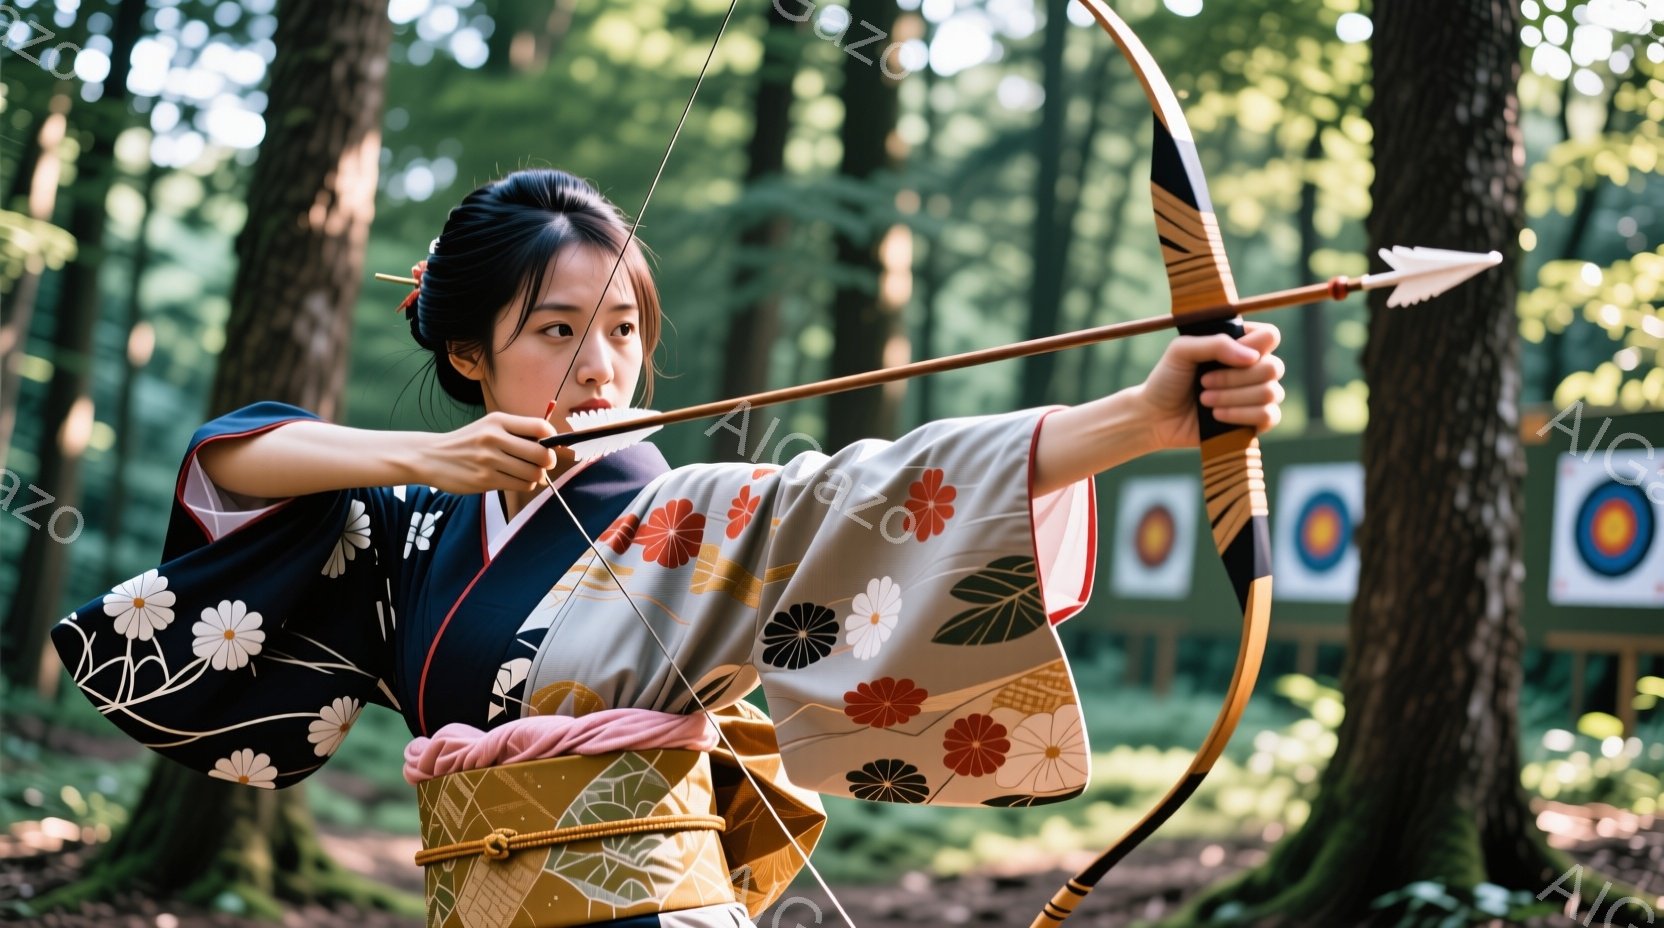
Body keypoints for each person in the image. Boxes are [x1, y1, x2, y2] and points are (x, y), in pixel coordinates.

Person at [51, 168, 1284, 928]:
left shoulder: (693, 511)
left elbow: (869, 488)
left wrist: (1144, 418)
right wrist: (417, 458)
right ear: (469, 355)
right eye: (556, 332)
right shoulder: (415, 525)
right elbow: (238, 456)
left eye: (623, 328)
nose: (600, 368)